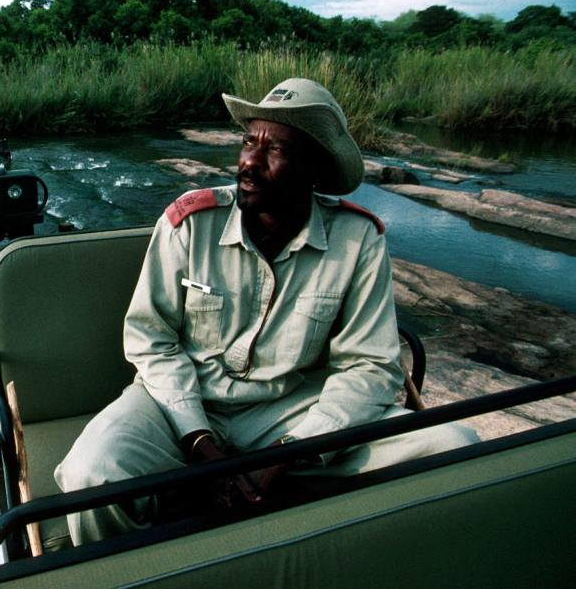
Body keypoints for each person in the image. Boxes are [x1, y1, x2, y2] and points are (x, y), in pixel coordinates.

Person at [54, 77, 479, 545]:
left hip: (293, 409)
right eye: (247, 143)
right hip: (183, 400)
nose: (249, 163)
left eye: (275, 150)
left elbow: (371, 365)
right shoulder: (189, 223)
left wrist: (294, 452)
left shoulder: (358, 240)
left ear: (315, 169)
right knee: (89, 476)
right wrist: (198, 442)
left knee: (453, 447)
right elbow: (151, 340)